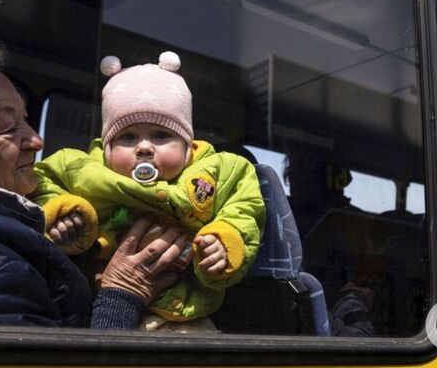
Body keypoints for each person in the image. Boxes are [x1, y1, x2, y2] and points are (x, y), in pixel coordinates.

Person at [0, 24, 188, 328]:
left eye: (26, 119)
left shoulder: (9, 226)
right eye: (9, 127)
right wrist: (122, 294)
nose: (36, 141)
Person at [30, 53, 264, 329]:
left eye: (161, 135)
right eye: (127, 137)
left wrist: (224, 240)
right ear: (106, 149)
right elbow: (42, 183)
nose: (143, 147)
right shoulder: (83, 170)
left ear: (188, 147)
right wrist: (64, 212)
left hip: (185, 309)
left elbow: (244, 205)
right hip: (97, 305)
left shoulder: (216, 171)